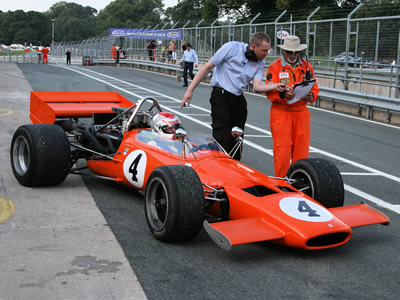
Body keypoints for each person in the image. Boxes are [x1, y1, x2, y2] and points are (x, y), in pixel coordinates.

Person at [180, 32, 285, 160]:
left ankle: (235, 169)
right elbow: (208, 66)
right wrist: (190, 90)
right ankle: (219, 167)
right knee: (223, 138)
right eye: (264, 50)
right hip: (221, 96)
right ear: (253, 47)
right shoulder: (232, 48)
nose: (267, 53)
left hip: (238, 99)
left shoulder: (260, 62)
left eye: (268, 50)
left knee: (237, 139)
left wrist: (274, 86)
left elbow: (257, 87)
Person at [265, 35, 320, 178]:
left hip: (301, 113)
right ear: (284, 51)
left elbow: (315, 89)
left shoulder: (307, 67)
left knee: (301, 152)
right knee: (282, 152)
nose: (293, 55)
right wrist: (283, 96)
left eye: (296, 52)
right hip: (281, 113)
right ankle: (282, 184)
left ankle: (299, 182)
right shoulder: (275, 66)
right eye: (289, 52)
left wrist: (311, 96)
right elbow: (269, 91)